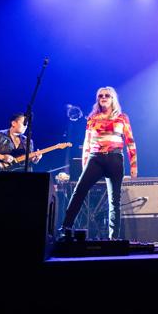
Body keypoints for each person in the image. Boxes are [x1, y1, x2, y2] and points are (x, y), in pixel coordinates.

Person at [60, 86, 137, 240]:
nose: (103, 98)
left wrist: (134, 166)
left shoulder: (122, 118)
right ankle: (65, 228)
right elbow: (87, 143)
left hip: (115, 159)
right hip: (95, 158)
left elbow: (130, 142)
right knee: (79, 191)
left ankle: (113, 238)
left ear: (113, 98)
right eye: (100, 95)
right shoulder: (92, 118)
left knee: (114, 199)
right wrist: (85, 164)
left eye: (107, 95)